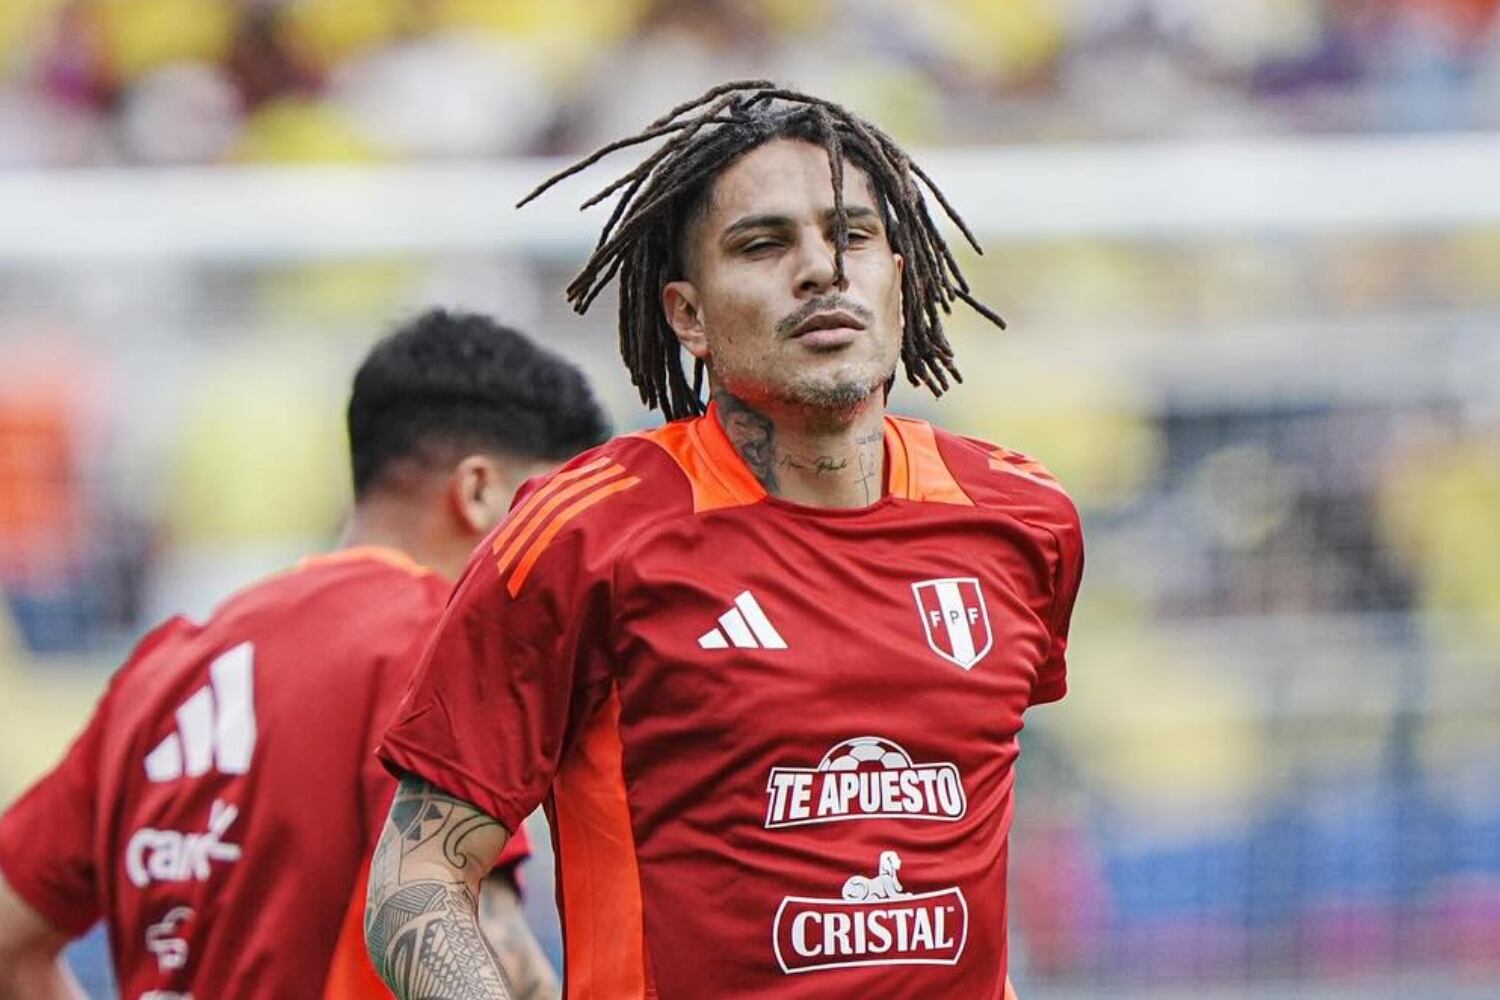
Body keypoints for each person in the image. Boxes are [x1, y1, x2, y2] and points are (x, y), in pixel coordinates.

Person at [367, 83, 1082, 999]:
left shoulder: (1021, 517)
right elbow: (416, 879)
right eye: (764, 243)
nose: (822, 269)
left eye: (851, 235)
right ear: (687, 317)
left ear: (899, 277)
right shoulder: (588, 531)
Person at [0, 309, 609, 999]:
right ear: (477, 492)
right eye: (559, 517)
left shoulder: (165, 669)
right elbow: (477, 949)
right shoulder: (430, 643)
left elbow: (9, 941)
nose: (573, 557)